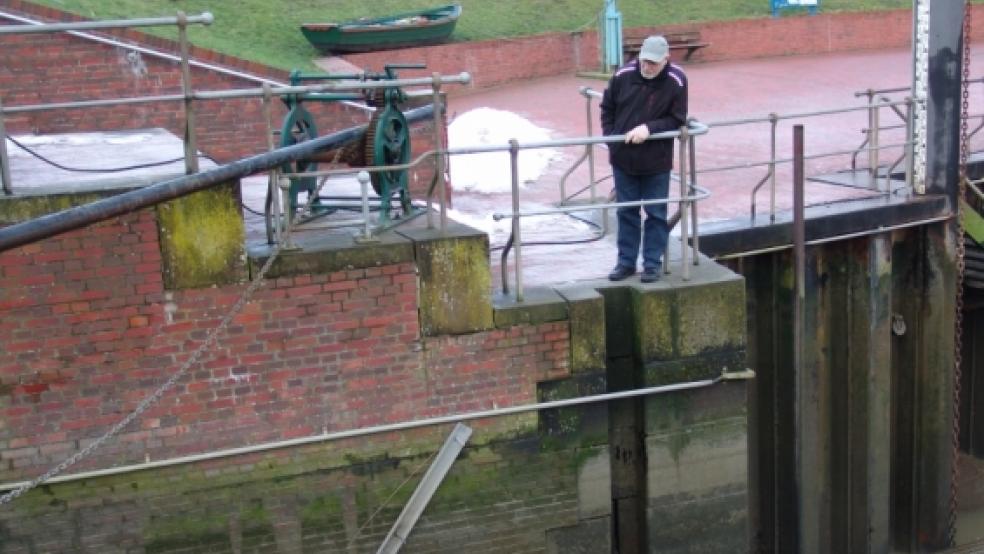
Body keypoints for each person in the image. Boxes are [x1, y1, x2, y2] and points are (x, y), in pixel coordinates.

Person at [600, 35, 688, 283]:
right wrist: (611, 139)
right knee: (626, 212)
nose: (647, 67)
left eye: (654, 63)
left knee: (656, 213)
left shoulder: (676, 80)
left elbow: (677, 118)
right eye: (644, 61)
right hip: (623, 158)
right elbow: (607, 108)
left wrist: (649, 128)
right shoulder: (622, 76)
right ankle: (625, 262)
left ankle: (652, 264)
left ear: (666, 60)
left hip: (656, 160)